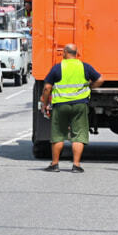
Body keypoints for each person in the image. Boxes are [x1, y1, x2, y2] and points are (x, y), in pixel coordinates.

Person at [38, 43, 103, 172]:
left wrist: (44, 103)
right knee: (78, 135)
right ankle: (76, 165)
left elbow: (47, 88)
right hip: (80, 105)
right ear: (76, 54)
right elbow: (100, 79)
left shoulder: (58, 68)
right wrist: (89, 87)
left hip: (61, 106)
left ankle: (55, 164)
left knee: (58, 134)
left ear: (64, 53)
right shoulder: (84, 67)